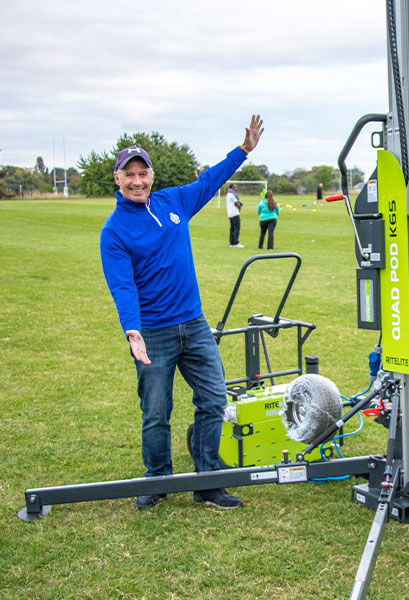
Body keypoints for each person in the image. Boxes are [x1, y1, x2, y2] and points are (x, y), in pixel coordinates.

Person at [99, 115, 264, 510]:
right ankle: (157, 479)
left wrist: (242, 151)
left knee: (213, 398)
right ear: (117, 180)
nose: (137, 181)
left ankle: (208, 482)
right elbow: (122, 286)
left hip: (194, 324)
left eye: (143, 173)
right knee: (156, 411)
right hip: (153, 333)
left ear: (151, 175)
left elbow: (208, 180)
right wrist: (132, 330)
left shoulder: (173, 201)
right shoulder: (114, 231)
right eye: (129, 175)